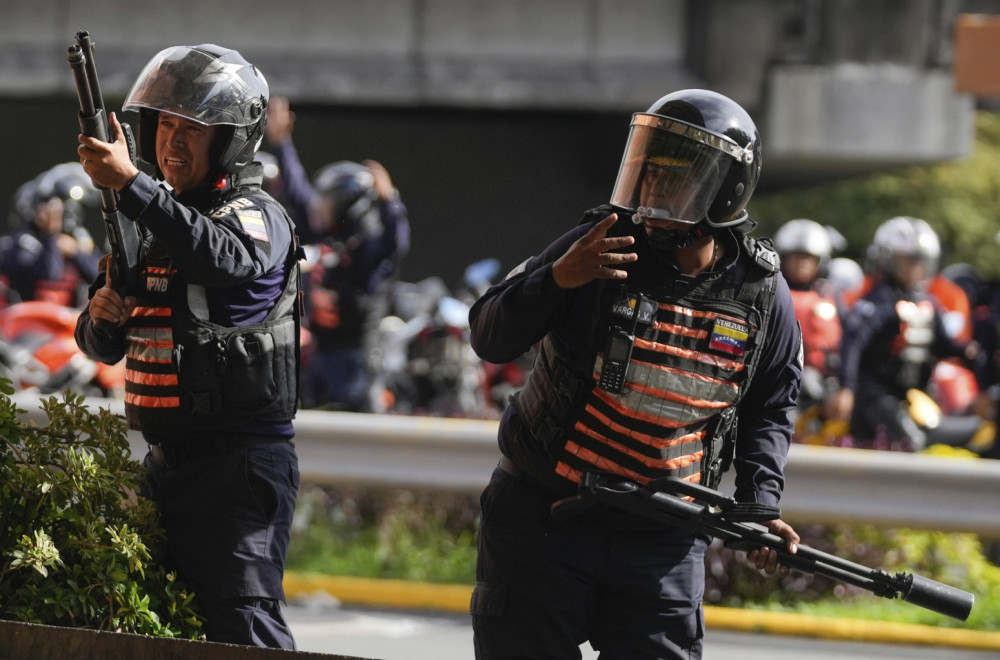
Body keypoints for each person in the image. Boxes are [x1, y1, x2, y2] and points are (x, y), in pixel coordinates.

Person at [468, 89, 802, 660]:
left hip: (664, 539)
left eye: (674, 180)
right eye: (647, 175)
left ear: (724, 194)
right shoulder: (600, 243)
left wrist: (759, 505)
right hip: (545, 519)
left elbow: (770, 404)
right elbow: (489, 334)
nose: (651, 194)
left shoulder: (762, 294)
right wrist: (556, 280)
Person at [73, 43, 302, 648]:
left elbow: (221, 256)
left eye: (193, 130)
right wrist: (102, 318)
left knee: (240, 630)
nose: (172, 142)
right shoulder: (154, 222)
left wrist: (131, 184)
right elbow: (101, 345)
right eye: (166, 124)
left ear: (229, 140)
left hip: (238, 471)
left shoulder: (257, 215)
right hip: (164, 468)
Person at [264, 96, 410, 410]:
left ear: (349, 206)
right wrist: (282, 144)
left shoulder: (368, 245)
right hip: (320, 353)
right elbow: (299, 193)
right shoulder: (328, 234)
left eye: (330, 203)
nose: (322, 209)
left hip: (355, 359)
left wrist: (390, 203)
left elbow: (395, 243)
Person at [828, 216, 977, 452]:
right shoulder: (879, 300)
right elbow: (853, 344)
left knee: (941, 437)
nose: (916, 267)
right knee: (912, 443)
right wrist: (846, 388)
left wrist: (969, 351)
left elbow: (943, 345)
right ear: (888, 259)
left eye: (920, 261)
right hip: (874, 394)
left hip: (910, 394)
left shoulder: (928, 301)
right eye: (908, 261)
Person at [1, 162, 101, 307]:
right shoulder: (22, 240)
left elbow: (98, 275)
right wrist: (50, 238)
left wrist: (74, 251)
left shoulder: (75, 238)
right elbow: (49, 275)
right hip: (27, 321)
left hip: (68, 323)